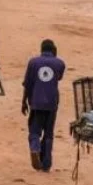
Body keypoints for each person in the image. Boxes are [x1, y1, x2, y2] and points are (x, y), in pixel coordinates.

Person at [22, 39, 65, 172]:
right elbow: (58, 78)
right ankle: (46, 164)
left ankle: (35, 148)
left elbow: (28, 84)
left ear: (41, 50)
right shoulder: (60, 63)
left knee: (34, 132)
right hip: (52, 103)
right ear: (54, 50)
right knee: (49, 134)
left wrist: (23, 101)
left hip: (36, 102)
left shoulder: (33, 62)